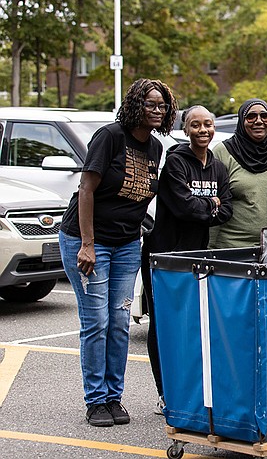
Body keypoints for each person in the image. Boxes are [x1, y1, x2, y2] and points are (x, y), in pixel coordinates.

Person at [59, 78, 177, 427]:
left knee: (120, 324)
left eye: (163, 106)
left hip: (126, 245)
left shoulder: (155, 148)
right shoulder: (110, 137)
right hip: (87, 243)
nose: (157, 111)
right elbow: (86, 189)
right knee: (97, 323)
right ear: (135, 105)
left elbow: (143, 198)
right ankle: (95, 400)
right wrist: (88, 243)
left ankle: (114, 397)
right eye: (151, 104)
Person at [144, 106, 233, 413]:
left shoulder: (218, 167)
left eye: (208, 124)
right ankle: (165, 392)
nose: (203, 130)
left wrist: (204, 207)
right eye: (196, 125)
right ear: (186, 130)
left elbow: (228, 210)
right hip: (165, 256)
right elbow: (182, 207)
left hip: (197, 256)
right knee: (164, 325)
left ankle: (192, 390)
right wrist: (210, 203)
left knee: (194, 324)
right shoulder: (175, 164)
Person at [208, 99, 267, 248]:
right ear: (241, 120)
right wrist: (209, 249)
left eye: (265, 116)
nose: (259, 121)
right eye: (251, 116)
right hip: (231, 248)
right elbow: (213, 203)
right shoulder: (223, 152)